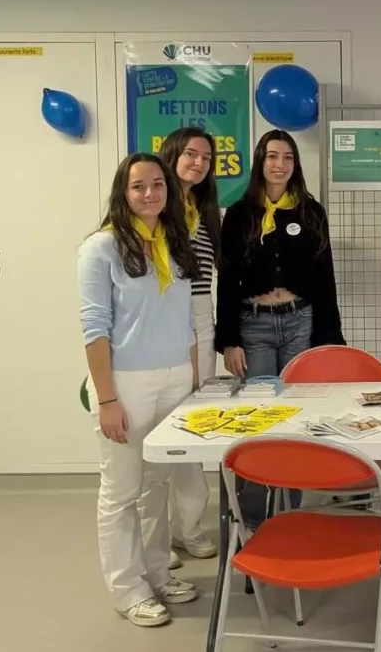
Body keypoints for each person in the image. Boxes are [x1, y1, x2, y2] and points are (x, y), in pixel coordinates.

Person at [78, 153, 201, 627]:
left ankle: (155, 573)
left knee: (158, 484)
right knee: (122, 489)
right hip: (126, 383)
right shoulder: (101, 247)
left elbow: (186, 319)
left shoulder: (174, 240)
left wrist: (192, 381)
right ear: (122, 193)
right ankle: (128, 590)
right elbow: (94, 328)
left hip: (174, 377)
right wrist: (106, 399)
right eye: (138, 187)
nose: (149, 194)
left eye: (157, 185)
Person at [216, 129, 345, 527]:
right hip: (254, 326)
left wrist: (329, 339)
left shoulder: (310, 212)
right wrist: (229, 340)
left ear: (295, 164)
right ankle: (253, 517)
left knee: (296, 415)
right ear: (260, 161)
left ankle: (289, 509)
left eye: (288, 157)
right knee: (260, 417)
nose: (280, 165)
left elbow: (325, 278)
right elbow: (227, 279)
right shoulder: (240, 214)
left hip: (299, 321)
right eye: (273, 156)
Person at [157, 128, 220, 568]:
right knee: (159, 429)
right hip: (163, 311)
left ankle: (190, 527)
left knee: (195, 424)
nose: (198, 162)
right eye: (191, 154)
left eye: (206, 157)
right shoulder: (155, 204)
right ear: (172, 154)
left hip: (201, 311)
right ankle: (157, 537)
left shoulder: (205, 209)